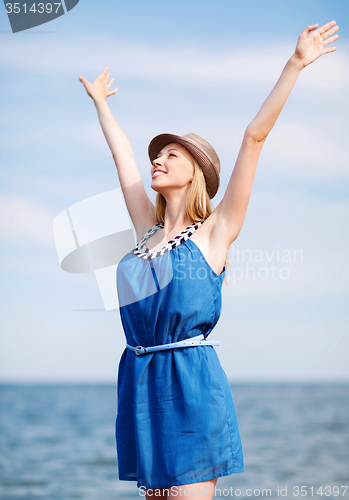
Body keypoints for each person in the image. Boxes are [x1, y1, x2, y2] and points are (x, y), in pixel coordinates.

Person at [78, 20, 339, 500]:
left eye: (171, 155)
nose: (157, 160)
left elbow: (254, 138)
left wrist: (295, 64)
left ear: (196, 172)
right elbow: (122, 157)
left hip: (191, 387)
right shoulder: (146, 233)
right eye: (156, 155)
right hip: (140, 384)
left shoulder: (217, 231)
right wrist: (100, 103)